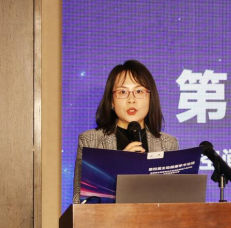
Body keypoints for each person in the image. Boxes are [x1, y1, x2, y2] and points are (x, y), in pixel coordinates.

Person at [73, 60, 179, 203]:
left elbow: (176, 203)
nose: (131, 100)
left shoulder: (168, 144)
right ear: (111, 101)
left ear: (150, 98)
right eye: (122, 92)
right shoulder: (90, 142)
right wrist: (121, 167)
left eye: (139, 91)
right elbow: (80, 203)